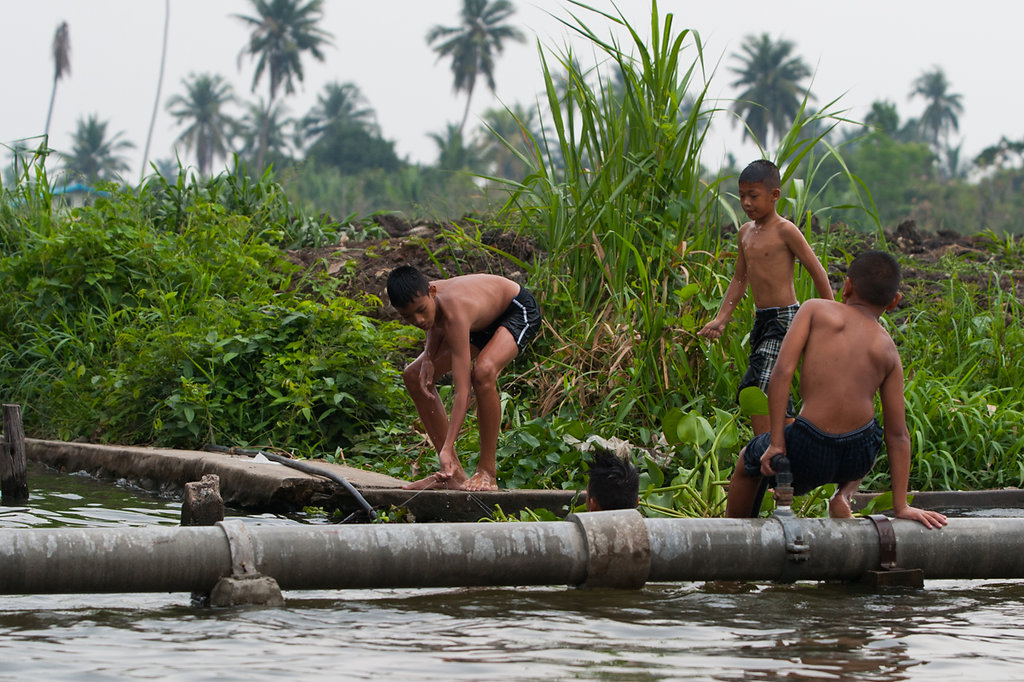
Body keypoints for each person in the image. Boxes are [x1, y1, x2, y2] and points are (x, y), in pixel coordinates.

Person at [724, 250, 947, 529]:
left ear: (848, 285)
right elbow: (898, 434)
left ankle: (731, 546)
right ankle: (844, 494)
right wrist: (901, 506)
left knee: (748, 461)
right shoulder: (888, 349)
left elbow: (781, 373)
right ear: (894, 302)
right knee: (873, 432)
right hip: (856, 456)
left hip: (806, 446)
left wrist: (778, 444)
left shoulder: (816, 309)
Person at [698, 159, 834, 435]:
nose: (746, 203)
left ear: (774, 196)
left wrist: (833, 317)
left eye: (753, 196)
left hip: (785, 319)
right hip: (762, 321)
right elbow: (739, 278)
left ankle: (764, 452)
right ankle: (790, 451)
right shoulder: (745, 233)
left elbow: (817, 271)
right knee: (775, 388)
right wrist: (722, 318)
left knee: (758, 386)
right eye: (742, 196)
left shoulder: (785, 230)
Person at [386, 266, 542, 491]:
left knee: (483, 372)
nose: (418, 320)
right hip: (478, 321)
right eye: (408, 317)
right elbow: (434, 322)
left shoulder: (455, 310)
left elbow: (462, 392)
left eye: (421, 310)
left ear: (432, 291)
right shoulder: (425, 297)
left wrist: (448, 446)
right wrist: (428, 356)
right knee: (413, 376)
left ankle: (487, 472)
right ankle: (454, 474)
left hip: (515, 309)